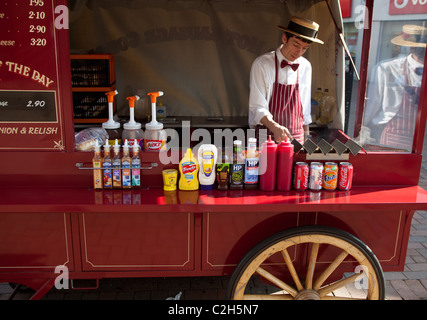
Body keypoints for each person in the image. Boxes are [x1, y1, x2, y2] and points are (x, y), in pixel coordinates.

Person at [248, 16, 323, 144]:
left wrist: (306, 139)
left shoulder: (305, 66)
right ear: (284, 38)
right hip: (267, 137)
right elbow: (257, 106)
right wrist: (274, 127)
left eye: (304, 48)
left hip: (296, 139)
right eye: (296, 45)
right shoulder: (262, 64)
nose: (299, 52)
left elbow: (305, 109)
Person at [363, 24, 426, 150]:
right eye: (420, 47)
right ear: (411, 47)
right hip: (394, 136)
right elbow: (372, 103)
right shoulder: (387, 68)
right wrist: (362, 127)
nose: (422, 51)